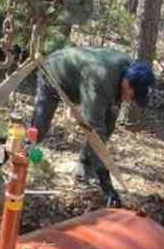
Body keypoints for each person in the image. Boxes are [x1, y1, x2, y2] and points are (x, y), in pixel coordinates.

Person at [29, 46, 155, 208]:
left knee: (109, 122)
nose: (130, 101)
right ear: (126, 83)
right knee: (39, 128)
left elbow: (104, 125)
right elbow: (93, 129)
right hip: (54, 72)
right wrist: (106, 180)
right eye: (132, 96)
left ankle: (84, 166)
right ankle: (20, 158)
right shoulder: (101, 79)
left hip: (84, 79)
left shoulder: (130, 69)